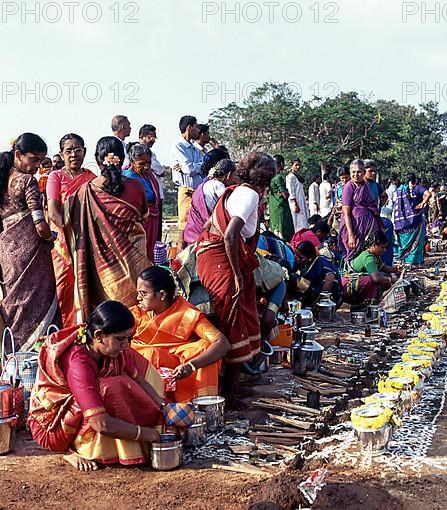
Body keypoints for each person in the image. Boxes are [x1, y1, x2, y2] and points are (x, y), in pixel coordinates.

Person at [28, 301, 164, 472]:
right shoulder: (77, 362)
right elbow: (101, 423)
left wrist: (164, 408)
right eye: (120, 339)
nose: (125, 345)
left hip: (91, 410)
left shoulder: (112, 349)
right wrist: (146, 434)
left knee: (127, 377)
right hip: (54, 426)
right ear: (98, 335)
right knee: (110, 387)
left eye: (128, 338)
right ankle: (75, 450)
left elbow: (140, 381)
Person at [195, 152, 276, 408]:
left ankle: (229, 389)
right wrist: (238, 274)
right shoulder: (249, 195)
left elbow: (210, 224)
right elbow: (230, 235)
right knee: (234, 321)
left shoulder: (236, 190)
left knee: (235, 319)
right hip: (222, 260)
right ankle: (227, 397)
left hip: (215, 256)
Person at [64, 137, 151, 322]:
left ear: (97, 159)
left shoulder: (84, 192)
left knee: (106, 319)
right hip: (134, 262)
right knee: (135, 316)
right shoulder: (136, 186)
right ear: (123, 158)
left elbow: (71, 225)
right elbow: (144, 218)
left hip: (100, 270)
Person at [130, 266, 230, 401]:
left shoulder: (187, 313)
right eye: (138, 293)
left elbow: (222, 343)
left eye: (143, 294)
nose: (138, 298)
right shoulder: (137, 313)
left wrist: (191, 365)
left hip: (176, 368)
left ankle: (201, 406)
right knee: (149, 354)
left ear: (162, 295)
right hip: (142, 371)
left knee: (204, 347)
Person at [0, 133, 61, 351]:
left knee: (15, 305)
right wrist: (50, 238)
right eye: (34, 160)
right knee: (38, 303)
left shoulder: (2, 181)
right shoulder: (27, 182)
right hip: (32, 258)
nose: (37, 166)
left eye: (40, 161)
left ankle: (12, 357)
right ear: (18, 155)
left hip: (7, 256)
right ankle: (40, 357)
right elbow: (40, 225)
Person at [47, 134, 96, 327]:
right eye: (69, 151)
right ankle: (62, 330)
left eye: (78, 150)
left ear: (84, 151)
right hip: (62, 242)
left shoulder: (90, 177)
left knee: (85, 285)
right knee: (63, 286)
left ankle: (82, 328)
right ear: (61, 154)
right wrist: (71, 235)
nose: (74, 154)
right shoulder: (56, 176)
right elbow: (53, 212)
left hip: (86, 240)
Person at [339, 159, 384, 261]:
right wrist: (351, 235)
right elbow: (346, 212)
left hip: (368, 227)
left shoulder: (365, 186)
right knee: (354, 255)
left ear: (363, 173)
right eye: (353, 172)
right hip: (355, 228)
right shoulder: (348, 187)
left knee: (370, 254)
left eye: (359, 172)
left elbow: (372, 204)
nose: (356, 174)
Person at [184, 157, 236, 244]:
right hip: (206, 233)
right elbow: (228, 208)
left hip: (193, 232)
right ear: (229, 175)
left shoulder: (204, 184)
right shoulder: (219, 186)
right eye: (235, 175)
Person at [123, 143, 161, 262]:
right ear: (132, 162)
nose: (146, 167)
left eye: (148, 163)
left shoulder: (149, 176)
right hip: (139, 221)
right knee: (139, 251)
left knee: (149, 250)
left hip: (152, 218)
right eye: (141, 164)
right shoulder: (129, 178)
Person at [172, 116, 205, 247]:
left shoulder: (194, 148)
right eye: (196, 126)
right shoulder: (178, 146)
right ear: (189, 128)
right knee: (184, 226)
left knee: (197, 226)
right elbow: (188, 169)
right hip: (187, 190)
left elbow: (200, 166)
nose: (198, 130)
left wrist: (197, 166)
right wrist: (199, 165)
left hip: (197, 191)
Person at [342, 231, 400, 304]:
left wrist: (397, 269)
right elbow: (376, 278)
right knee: (372, 280)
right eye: (382, 247)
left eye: (385, 248)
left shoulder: (374, 256)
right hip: (348, 289)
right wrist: (390, 280)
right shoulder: (368, 257)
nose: (384, 250)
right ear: (374, 245)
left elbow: (383, 268)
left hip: (355, 285)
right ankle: (363, 306)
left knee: (383, 276)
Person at [393, 173, 430, 267]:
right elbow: (428, 194)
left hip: (402, 221)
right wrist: (423, 203)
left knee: (404, 239)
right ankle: (414, 262)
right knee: (417, 242)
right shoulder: (417, 188)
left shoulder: (400, 190)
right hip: (416, 218)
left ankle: (403, 261)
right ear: (415, 181)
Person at [292, 241, 342, 308]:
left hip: (328, 297)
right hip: (313, 293)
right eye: (296, 255)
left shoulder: (321, 262)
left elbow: (330, 278)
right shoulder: (302, 264)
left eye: (301, 257)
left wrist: (321, 299)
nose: (297, 258)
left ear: (310, 257)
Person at [139, 124, 165, 239]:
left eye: (154, 138)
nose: (153, 140)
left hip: (156, 195)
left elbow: (161, 171)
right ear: (142, 137)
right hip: (147, 196)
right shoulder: (140, 152)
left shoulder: (151, 153)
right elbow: (160, 170)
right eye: (151, 137)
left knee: (156, 232)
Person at [267, 155, 294, 241]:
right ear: (282, 164)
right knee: (284, 233)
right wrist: (287, 193)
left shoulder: (270, 177)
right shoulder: (278, 177)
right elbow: (285, 194)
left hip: (273, 207)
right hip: (281, 209)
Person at [286, 158, 309, 231]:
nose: (298, 167)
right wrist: (295, 204)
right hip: (295, 203)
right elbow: (291, 191)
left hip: (301, 201)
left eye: (299, 165)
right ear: (291, 166)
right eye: (296, 165)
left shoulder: (297, 177)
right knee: (297, 221)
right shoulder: (290, 177)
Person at [330, 165, 350, 231]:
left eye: (346, 177)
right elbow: (336, 201)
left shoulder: (352, 185)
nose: (344, 180)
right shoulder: (338, 186)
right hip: (338, 212)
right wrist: (332, 215)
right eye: (342, 178)